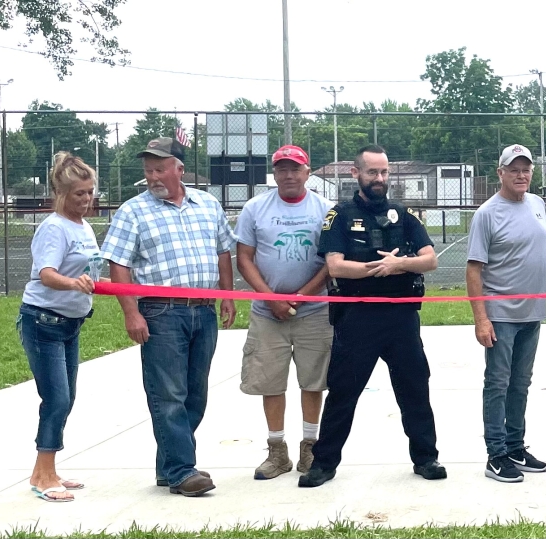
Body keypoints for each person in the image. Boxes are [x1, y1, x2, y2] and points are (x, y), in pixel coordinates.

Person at [299, 145, 446, 487]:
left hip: (401, 319)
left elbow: (430, 260)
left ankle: (426, 458)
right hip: (357, 318)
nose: (379, 179)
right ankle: (324, 463)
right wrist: (378, 269)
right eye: (372, 172)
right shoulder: (339, 215)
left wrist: (400, 264)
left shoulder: (405, 214)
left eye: (384, 173)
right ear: (356, 174)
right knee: (342, 393)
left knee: (414, 390)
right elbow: (335, 266)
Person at [101, 137, 236, 497]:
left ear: (180, 169)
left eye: (160, 169)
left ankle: (169, 466)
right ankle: (181, 470)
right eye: (148, 170)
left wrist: (226, 295)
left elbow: (224, 251)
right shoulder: (133, 211)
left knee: (195, 394)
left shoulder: (207, 204)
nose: (153, 176)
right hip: (160, 311)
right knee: (168, 394)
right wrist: (131, 313)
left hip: (203, 311)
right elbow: (118, 264)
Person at [235, 145, 334, 480]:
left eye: (296, 169)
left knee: (313, 380)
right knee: (271, 381)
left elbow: (331, 262)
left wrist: (302, 296)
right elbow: (244, 257)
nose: (289, 175)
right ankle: (277, 452)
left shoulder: (325, 209)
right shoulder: (255, 209)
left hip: (315, 311)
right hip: (267, 313)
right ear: (274, 174)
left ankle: (310, 447)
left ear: (308, 172)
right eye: (282, 169)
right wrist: (271, 298)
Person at [19, 152, 103, 502]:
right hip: (43, 323)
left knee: (65, 399)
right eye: (78, 194)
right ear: (60, 193)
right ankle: (42, 474)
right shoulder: (54, 228)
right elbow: (47, 274)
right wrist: (73, 284)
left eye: (89, 192)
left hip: (70, 324)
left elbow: (90, 270)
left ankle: (47, 469)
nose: (85, 200)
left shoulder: (82, 227)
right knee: (57, 398)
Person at [467, 144, 546, 483]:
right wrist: (481, 318)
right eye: (513, 169)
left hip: (533, 313)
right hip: (500, 314)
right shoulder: (487, 213)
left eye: (525, 168)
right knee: (498, 384)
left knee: (521, 383)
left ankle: (516, 446)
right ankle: (496, 454)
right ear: (500, 173)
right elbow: (474, 271)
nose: (521, 174)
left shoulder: (537, 204)